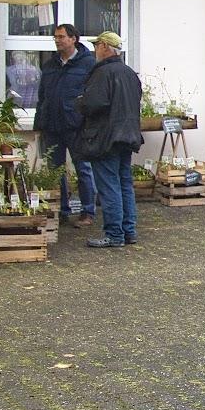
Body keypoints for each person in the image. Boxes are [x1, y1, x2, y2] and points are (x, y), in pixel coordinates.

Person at [75, 31, 142, 248]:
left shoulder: (102, 73)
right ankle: (128, 231)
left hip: (105, 137)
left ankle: (114, 234)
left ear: (105, 46)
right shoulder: (130, 73)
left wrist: (80, 102)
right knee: (124, 184)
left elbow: (94, 104)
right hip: (128, 135)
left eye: (97, 46)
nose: (95, 50)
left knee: (109, 186)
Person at [33, 24, 98, 227]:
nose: (57, 40)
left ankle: (88, 211)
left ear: (73, 39)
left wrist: (86, 120)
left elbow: (92, 94)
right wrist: (39, 122)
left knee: (83, 168)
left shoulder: (88, 63)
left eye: (61, 36)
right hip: (52, 125)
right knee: (56, 170)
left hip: (76, 126)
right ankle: (61, 210)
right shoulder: (50, 65)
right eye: (55, 37)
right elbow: (42, 95)